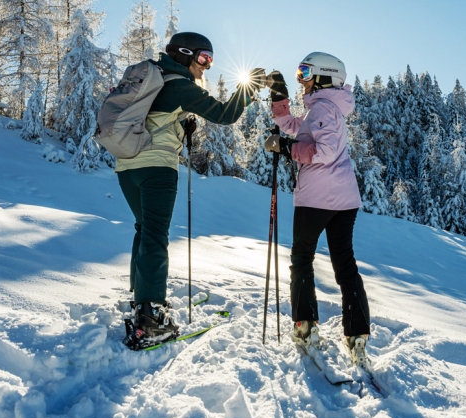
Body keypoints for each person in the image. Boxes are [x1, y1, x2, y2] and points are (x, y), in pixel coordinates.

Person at [117, 31, 265, 348]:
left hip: (127, 169)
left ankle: (141, 302)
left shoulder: (153, 81)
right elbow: (226, 115)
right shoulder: (179, 84)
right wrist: (248, 89)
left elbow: (154, 117)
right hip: (157, 168)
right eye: (203, 58)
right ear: (184, 54)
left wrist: (179, 124)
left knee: (144, 230)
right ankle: (150, 319)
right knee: (155, 235)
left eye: (210, 59)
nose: (207, 66)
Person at [264, 52, 372, 366]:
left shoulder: (323, 108)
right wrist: (280, 101)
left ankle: (306, 325)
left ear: (325, 75)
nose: (301, 78)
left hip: (317, 199)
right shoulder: (327, 107)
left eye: (305, 71)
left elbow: (322, 151)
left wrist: (285, 148)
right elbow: (296, 126)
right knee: (344, 264)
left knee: (302, 259)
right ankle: (357, 333)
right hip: (344, 200)